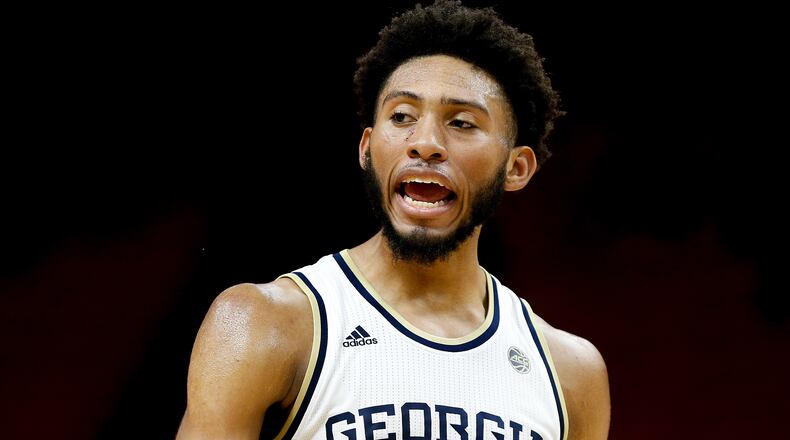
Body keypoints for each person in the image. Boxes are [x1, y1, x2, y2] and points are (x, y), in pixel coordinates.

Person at [177, 1, 610, 438]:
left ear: (516, 168)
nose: (425, 143)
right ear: (366, 149)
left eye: (461, 122)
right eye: (401, 116)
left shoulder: (570, 373)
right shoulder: (267, 324)